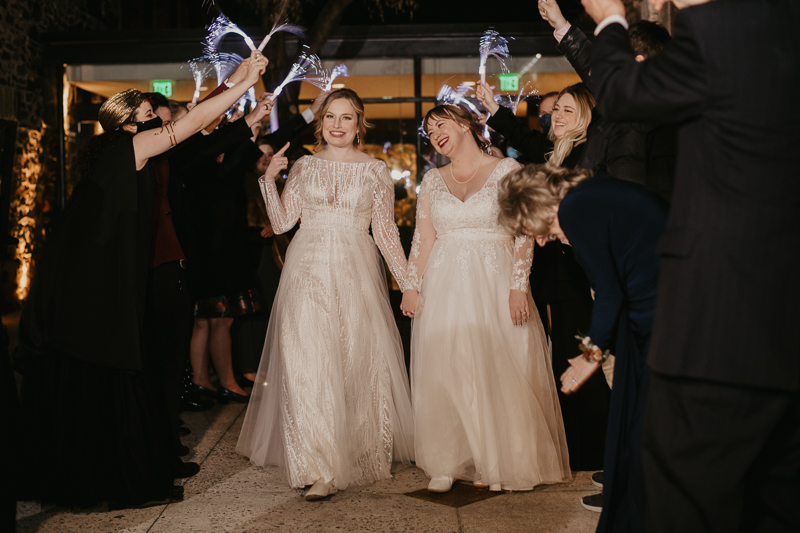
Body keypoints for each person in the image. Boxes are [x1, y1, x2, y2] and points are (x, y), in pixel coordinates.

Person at [581, 0, 800, 531]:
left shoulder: (729, 31)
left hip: (722, 321)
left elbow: (621, 92)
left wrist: (609, 18)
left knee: (686, 500)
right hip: (782, 312)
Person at [15, 51, 266, 509]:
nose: (159, 122)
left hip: (96, 289)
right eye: (150, 116)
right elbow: (187, 126)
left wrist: (239, 80)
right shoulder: (125, 150)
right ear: (127, 126)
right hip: (90, 294)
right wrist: (242, 84)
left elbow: (190, 120)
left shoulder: (123, 152)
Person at [236, 89, 415, 501]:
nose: (337, 125)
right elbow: (282, 223)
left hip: (356, 274)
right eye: (331, 117)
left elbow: (386, 234)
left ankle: (352, 451)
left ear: (359, 124)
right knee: (308, 363)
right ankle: (316, 465)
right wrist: (268, 180)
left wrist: (408, 284)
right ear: (321, 123)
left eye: (346, 118)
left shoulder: (375, 171)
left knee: (353, 361)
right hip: (306, 273)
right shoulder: (304, 166)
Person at [400, 103, 571, 493]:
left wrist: (517, 285)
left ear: (465, 123)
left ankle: (499, 460)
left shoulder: (506, 170)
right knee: (448, 369)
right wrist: (411, 284)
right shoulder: (431, 180)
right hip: (444, 282)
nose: (436, 133)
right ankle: (447, 460)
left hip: (495, 279)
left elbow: (525, 231)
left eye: (442, 124)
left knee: (499, 366)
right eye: (430, 130)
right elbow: (423, 239)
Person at [498, 163, 667, 533]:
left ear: (538, 207)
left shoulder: (575, 207)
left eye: (534, 230)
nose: (542, 240)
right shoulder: (593, 193)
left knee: (643, 419)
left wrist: (591, 356)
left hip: (660, 317)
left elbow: (608, 291)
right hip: (656, 311)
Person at [480, 82, 608, 474]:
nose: (559, 117)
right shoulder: (556, 152)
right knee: (559, 357)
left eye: (569, 110)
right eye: (556, 112)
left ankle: (595, 457)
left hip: (579, 273)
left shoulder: (591, 152)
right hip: (553, 272)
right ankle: (573, 450)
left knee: (583, 352)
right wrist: (495, 107)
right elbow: (524, 136)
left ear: (587, 116)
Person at [537, 0, 677, 201]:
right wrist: (561, 24)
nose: (600, 70)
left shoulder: (636, 120)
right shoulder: (629, 99)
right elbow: (590, 65)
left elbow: (626, 193)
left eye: (612, 60)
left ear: (637, 62)